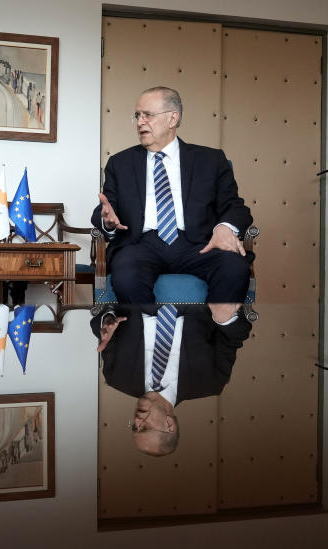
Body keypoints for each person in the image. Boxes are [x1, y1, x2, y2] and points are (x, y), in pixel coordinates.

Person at [91, 86, 253, 303]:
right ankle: (142, 335)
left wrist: (224, 228)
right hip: (141, 245)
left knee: (233, 267)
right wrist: (108, 221)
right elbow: (106, 210)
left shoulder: (211, 161)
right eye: (137, 115)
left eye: (147, 114)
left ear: (172, 119)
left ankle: (217, 333)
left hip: (197, 244)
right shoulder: (120, 163)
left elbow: (236, 207)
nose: (140, 122)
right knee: (126, 274)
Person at [92, 303, 251, 456]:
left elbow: (104, 326)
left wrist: (107, 321)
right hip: (196, 296)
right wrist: (224, 319)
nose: (137, 422)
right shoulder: (210, 382)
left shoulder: (117, 377)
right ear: (169, 425)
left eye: (134, 427)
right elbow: (235, 337)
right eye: (144, 428)